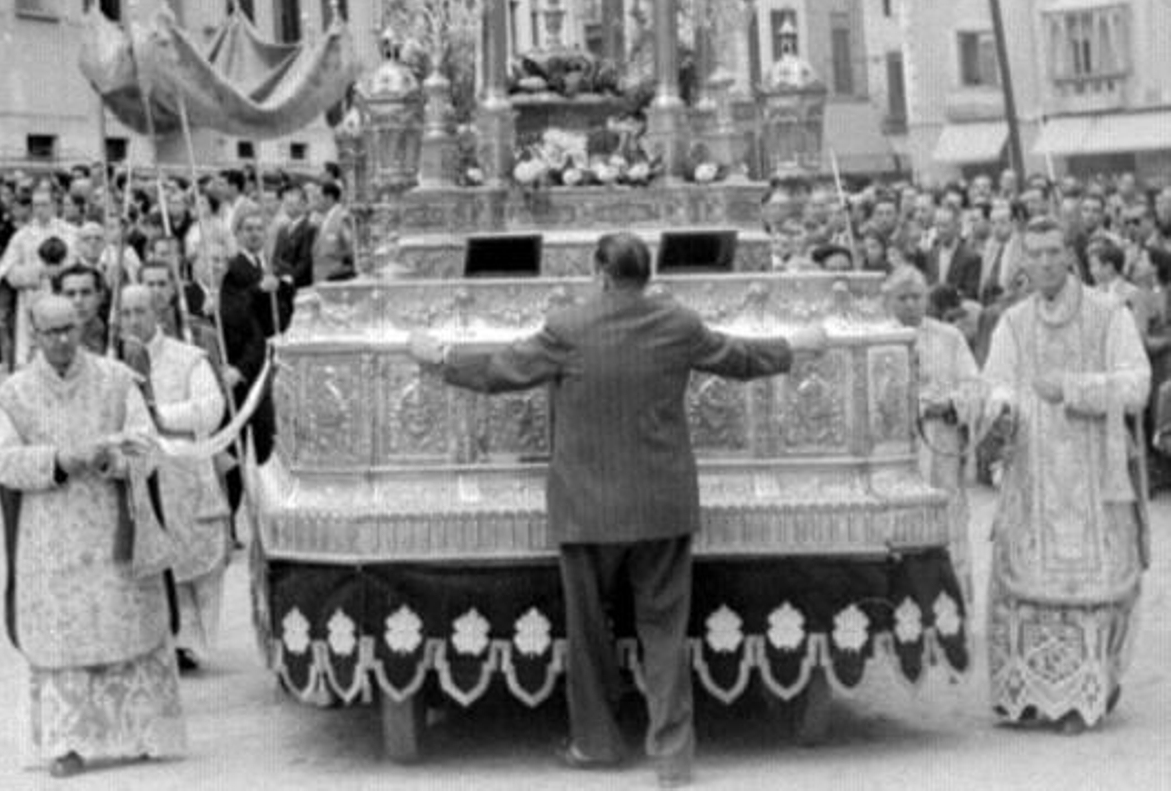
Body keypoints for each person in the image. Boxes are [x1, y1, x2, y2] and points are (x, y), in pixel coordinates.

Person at [409, 234, 822, 782]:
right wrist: (799, 344)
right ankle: (673, 756)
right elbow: (741, 358)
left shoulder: (568, 327)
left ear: (601, 273)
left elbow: (500, 371)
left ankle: (597, 744)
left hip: (587, 506)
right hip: (661, 503)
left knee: (589, 632)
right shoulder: (678, 323)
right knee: (665, 632)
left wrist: (437, 356)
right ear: (645, 275)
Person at [0, 293, 186, 777]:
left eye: (69, 328)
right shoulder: (14, 394)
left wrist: (114, 459)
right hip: (50, 536)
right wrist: (60, 460)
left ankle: (144, 732)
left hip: (111, 525)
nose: (61, 340)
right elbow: (5, 462)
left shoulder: (117, 380)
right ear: (33, 334)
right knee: (64, 640)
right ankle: (67, 742)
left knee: (127, 624)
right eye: (50, 331)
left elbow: (147, 446)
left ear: (83, 326)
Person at [981, 216, 1151, 732]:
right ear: (1023, 260)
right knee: (1021, 583)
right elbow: (997, 384)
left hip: (1096, 476)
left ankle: (1086, 693)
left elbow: (1137, 384)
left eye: (1055, 252)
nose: (1046, 262)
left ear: (1070, 256)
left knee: (1094, 589)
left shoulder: (1108, 314)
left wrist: (1076, 388)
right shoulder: (1013, 322)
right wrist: (1001, 411)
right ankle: (1029, 695)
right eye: (1035, 254)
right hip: (1031, 474)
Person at [117, 284, 231, 671]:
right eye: (126, 312)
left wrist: (161, 417)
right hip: (138, 476)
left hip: (184, 471)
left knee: (194, 562)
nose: (133, 320)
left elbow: (212, 408)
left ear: (158, 314)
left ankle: (190, 640)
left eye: (140, 312)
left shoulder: (190, 360)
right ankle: (158, 636)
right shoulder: (111, 366)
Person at [884, 266, 982, 601]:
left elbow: (974, 387)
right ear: (888, 301)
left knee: (947, 522)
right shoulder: (878, 338)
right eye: (903, 298)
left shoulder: (949, 337)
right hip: (897, 451)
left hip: (940, 443)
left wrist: (949, 404)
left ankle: (951, 605)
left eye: (917, 297)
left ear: (927, 298)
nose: (911, 304)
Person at [220, 207, 290, 465]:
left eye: (259, 229)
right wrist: (259, 290)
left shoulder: (274, 266)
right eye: (248, 229)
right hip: (250, 353)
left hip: (277, 348)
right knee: (255, 420)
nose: (254, 234)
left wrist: (280, 291)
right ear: (238, 233)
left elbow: (284, 310)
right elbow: (235, 310)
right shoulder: (233, 269)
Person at [0, 187, 77, 370]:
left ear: (54, 205)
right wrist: (38, 272)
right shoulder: (22, 237)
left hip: (66, 298)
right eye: (36, 205)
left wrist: (61, 271)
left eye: (44, 204)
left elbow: (80, 263)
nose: (39, 209)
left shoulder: (71, 233)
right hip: (33, 302)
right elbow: (8, 273)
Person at [310, 179, 356, 283]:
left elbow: (352, 248)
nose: (315, 201)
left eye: (318, 197)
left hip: (335, 277)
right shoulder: (324, 217)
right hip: (320, 277)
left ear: (329, 198)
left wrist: (334, 255)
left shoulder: (342, 217)